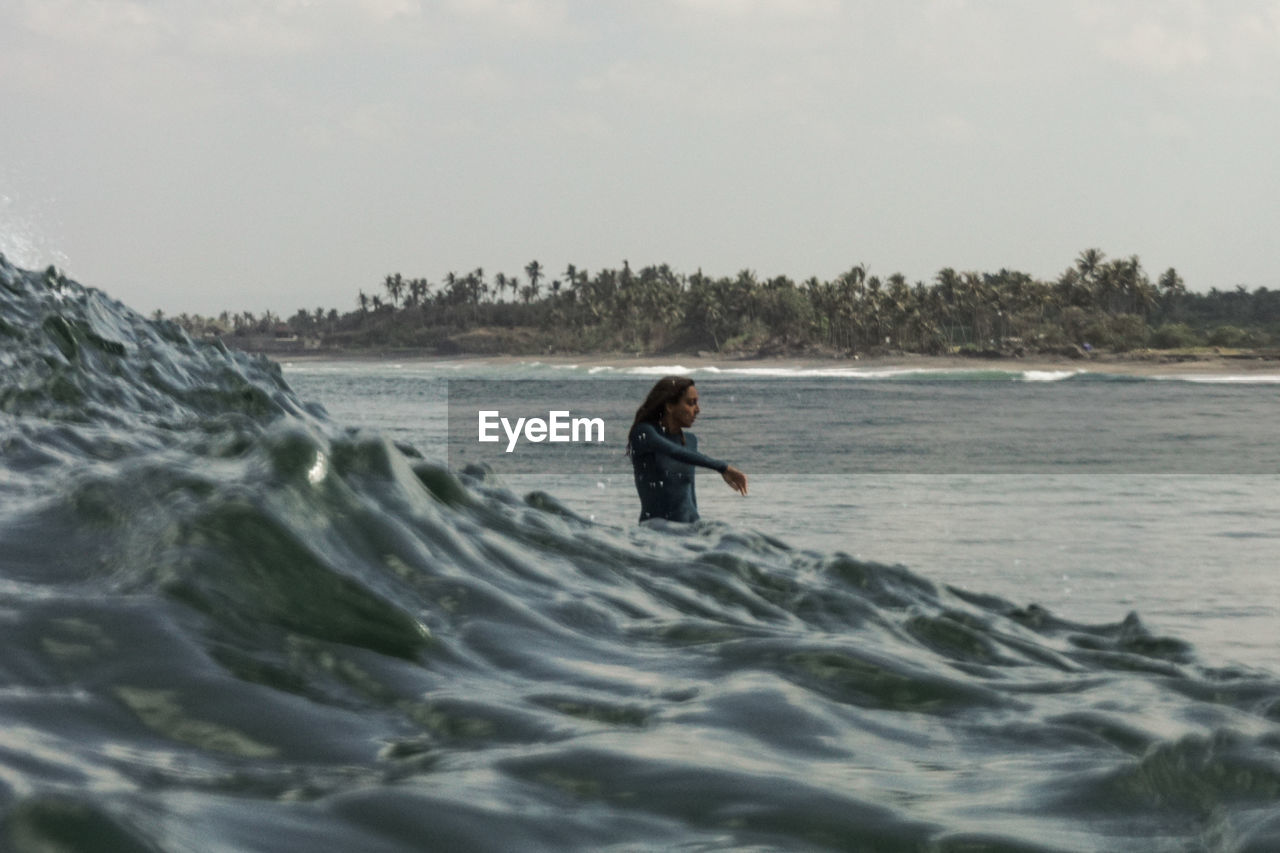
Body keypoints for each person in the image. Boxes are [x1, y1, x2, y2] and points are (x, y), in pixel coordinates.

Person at [625, 376, 747, 523]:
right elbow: (673, 451)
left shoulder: (690, 441)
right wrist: (722, 467)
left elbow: (690, 497)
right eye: (691, 403)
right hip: (656, 533)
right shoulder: (644, 433)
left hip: (691, 531)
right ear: (669, 406)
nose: (698, 410)